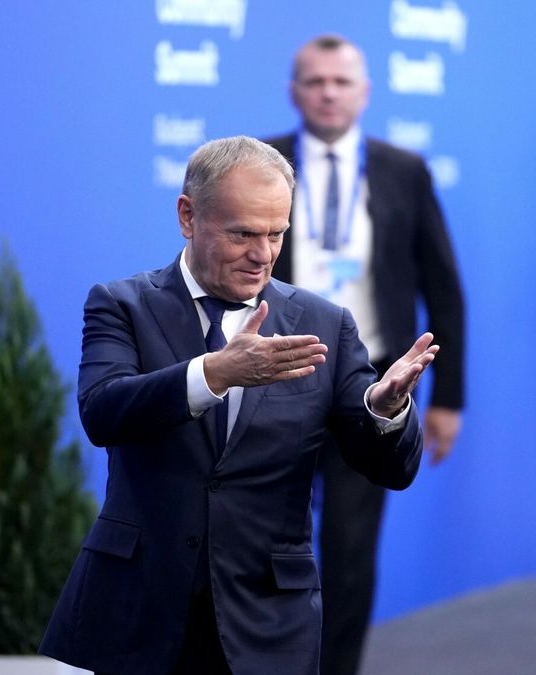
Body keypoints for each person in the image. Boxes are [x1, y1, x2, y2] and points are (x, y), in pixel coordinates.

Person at [39, 136, 436, 674]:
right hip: (142, 614)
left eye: (276, 233)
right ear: (188, 216)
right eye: (243, 233)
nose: (263, 254)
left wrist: (386, 410)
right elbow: (104, 411)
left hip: (268, 622)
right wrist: (214, 373)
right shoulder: (121, 305)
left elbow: (390, 468)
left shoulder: (324, 323)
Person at [263, 34, 465, 675]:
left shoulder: (404, 170)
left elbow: (445, 289)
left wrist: (449, 399)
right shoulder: (260, 162)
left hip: (368, 385)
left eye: (340, 81)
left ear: (364, 92)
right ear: (294, 90)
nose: (328, 92)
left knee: (350, 551)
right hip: (273, 379)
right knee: (262, 542)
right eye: (315, 80)